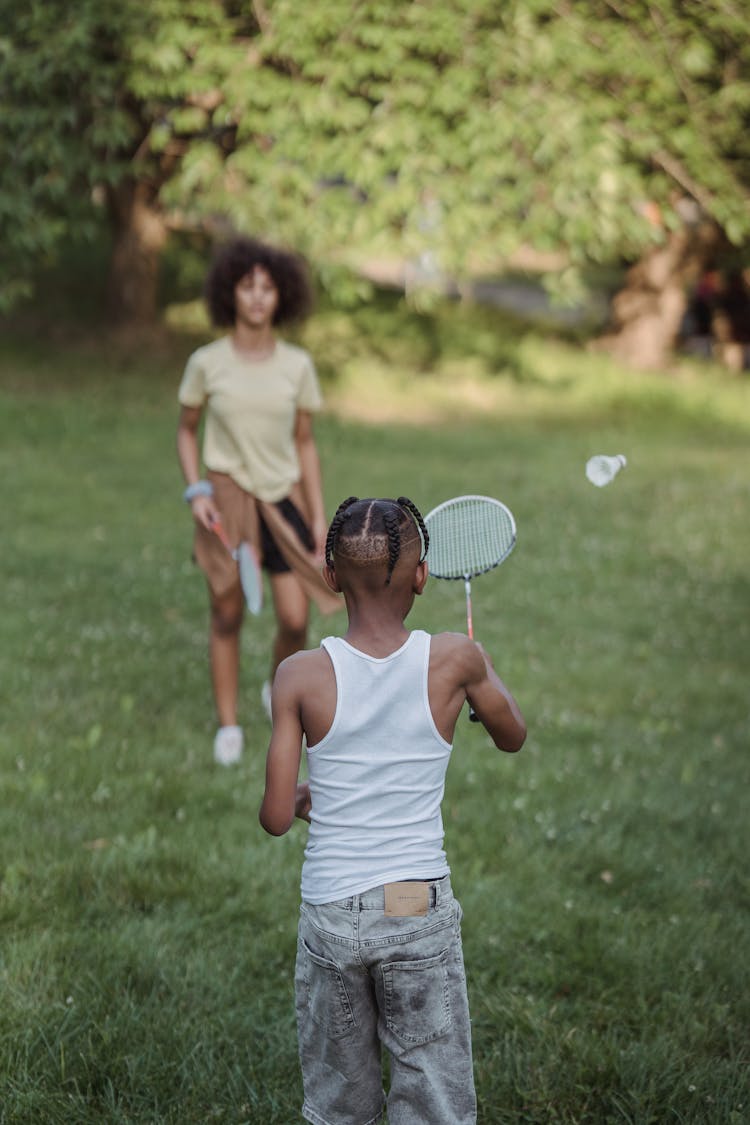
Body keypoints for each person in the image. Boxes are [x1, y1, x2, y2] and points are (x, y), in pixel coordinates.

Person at [259, 495, 527, 1125]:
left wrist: (309, 802)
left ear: (329, 578)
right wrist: (480, 671)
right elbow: (512, 734)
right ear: (422, 577)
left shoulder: (298, 674)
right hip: (416, 907)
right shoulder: (455, 659)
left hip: (333, 912)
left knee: (340, 1102)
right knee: (431, 1096)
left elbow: (275, 815)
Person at [177, 236, 339, 766]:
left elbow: (305, 443)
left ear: (281, 296)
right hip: (225, 501)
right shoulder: (206, 362)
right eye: (247, 286)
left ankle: (277, 691)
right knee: (226, 613)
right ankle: (228, 726)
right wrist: (195, 488)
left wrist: (317, 516)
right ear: (231, 293)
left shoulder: (297, 366)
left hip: (283, 500)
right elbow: (186, 431)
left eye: (267, 288)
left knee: (295, 618)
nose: (256, 297)